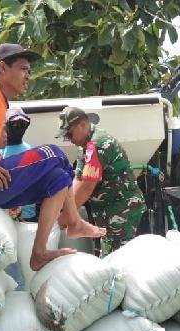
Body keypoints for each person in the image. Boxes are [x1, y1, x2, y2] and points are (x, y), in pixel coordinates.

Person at [0, 43, 105, 270]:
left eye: (29, 70)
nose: (28, 76)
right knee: (54, 153)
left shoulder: (2, 103)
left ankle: (39, 252)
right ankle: (74, 222)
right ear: (2, 67)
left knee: (58, 178)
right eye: (23, 69)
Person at [55, 106, 146, 256]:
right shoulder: (86, 145)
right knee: (109, 255)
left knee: (118, 258)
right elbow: (78, 180)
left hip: (122, 210)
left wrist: (65, 216)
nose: (69, 140)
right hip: (108, 211)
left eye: (69, 134)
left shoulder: (98, 145)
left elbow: (86, 187)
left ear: (82, 125)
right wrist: (65, 209)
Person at [0, 107, 37, 222]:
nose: (18, 127)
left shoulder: (31, 151)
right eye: (15, 124)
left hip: (26, 214)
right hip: (5, 215)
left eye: (22, 124)